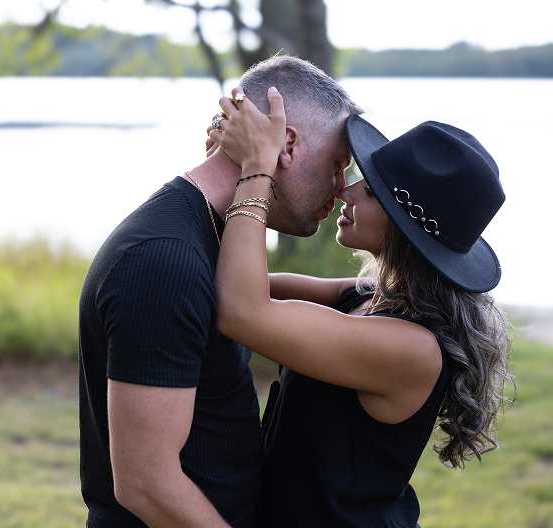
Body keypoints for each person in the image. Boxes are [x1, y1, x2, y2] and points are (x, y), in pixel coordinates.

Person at [207, 86, 514, 527]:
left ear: (407, 229)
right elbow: (229, 279)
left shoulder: (410, 348)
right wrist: (224, 163)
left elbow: (242, 311)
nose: (346, 190)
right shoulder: (367, 297)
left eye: (370, 191)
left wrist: (258, 169)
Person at [78, 55, 363, 527]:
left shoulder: (218, 236)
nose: (341, 189)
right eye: (337, 165)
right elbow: (146, 484)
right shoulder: (162, 258)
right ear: (285, 145)